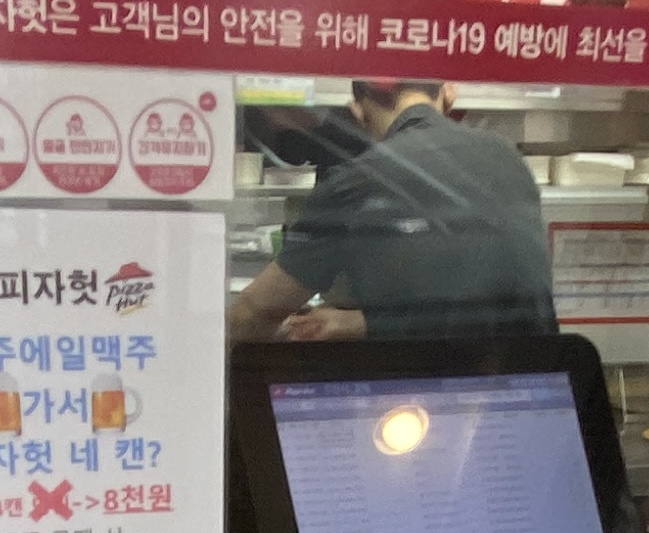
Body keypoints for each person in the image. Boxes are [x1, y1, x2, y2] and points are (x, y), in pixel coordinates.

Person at [230, 79, 556, 340]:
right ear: (449, 94)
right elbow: (480, 303)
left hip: (429, 390)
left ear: (358, 112)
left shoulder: (356, 180)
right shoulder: (509, 158)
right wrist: (361, 323)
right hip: (543, 383)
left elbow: (255, 311)